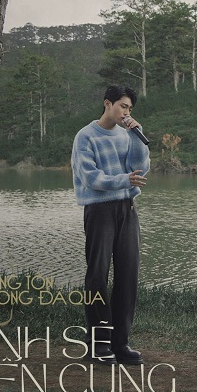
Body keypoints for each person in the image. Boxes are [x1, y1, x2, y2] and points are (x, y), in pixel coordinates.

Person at [71, 84, 150, 365]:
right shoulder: (86, 136)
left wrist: (138, 137)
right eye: (123, 106)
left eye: (130, 108)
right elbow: (90, 177)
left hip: (127, 208)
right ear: (108, 104)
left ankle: (120, 343)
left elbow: (140, 169)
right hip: (99, 210)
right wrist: (123, 180)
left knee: (128, 275)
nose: (126, 112)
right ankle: (98, 345)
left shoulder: (128, 134)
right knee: (97, 275)